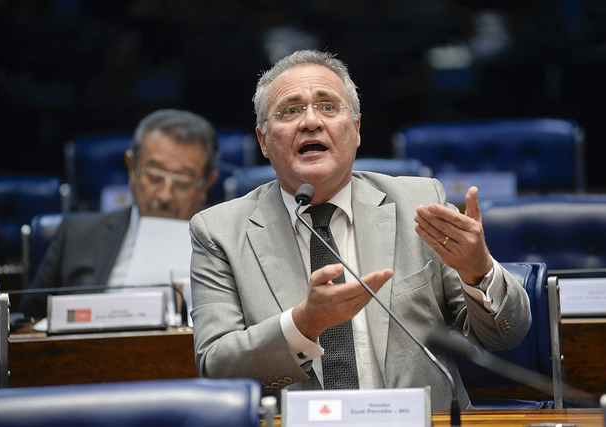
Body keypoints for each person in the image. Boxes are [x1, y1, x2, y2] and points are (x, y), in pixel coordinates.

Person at [189, 50, 531, 410]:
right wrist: (302, 324)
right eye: (290, 110)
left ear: (356, 130)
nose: (310, 122)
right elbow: (216, 366)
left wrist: (478, 270)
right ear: (263, 141)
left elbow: (506, 335)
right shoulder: (219, 231)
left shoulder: (417, 202)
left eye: (328, 107)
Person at [18, 109, 219, 320]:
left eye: (182, 181)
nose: (165, 195)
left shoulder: (224, 244)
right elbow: (25, 325)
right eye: (154, 176)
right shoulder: (77, 234)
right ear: (131, 167)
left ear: (207, 184)